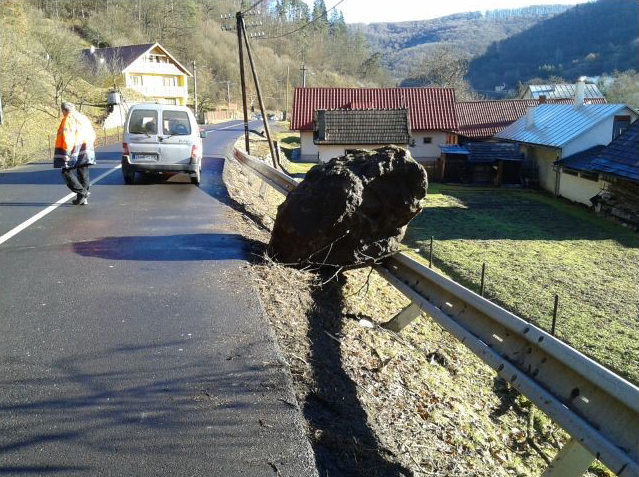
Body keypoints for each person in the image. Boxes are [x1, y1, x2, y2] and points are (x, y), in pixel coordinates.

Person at [53, 102, 96, 205]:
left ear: (64, 111)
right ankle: (82, 199)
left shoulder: (68, 119)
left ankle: (83, 193)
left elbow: (68, 137)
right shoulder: (83, 118)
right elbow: (92, 133)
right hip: (86, 147)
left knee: (66, 172)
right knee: (83, 172)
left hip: (74, 149)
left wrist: (67, 153)